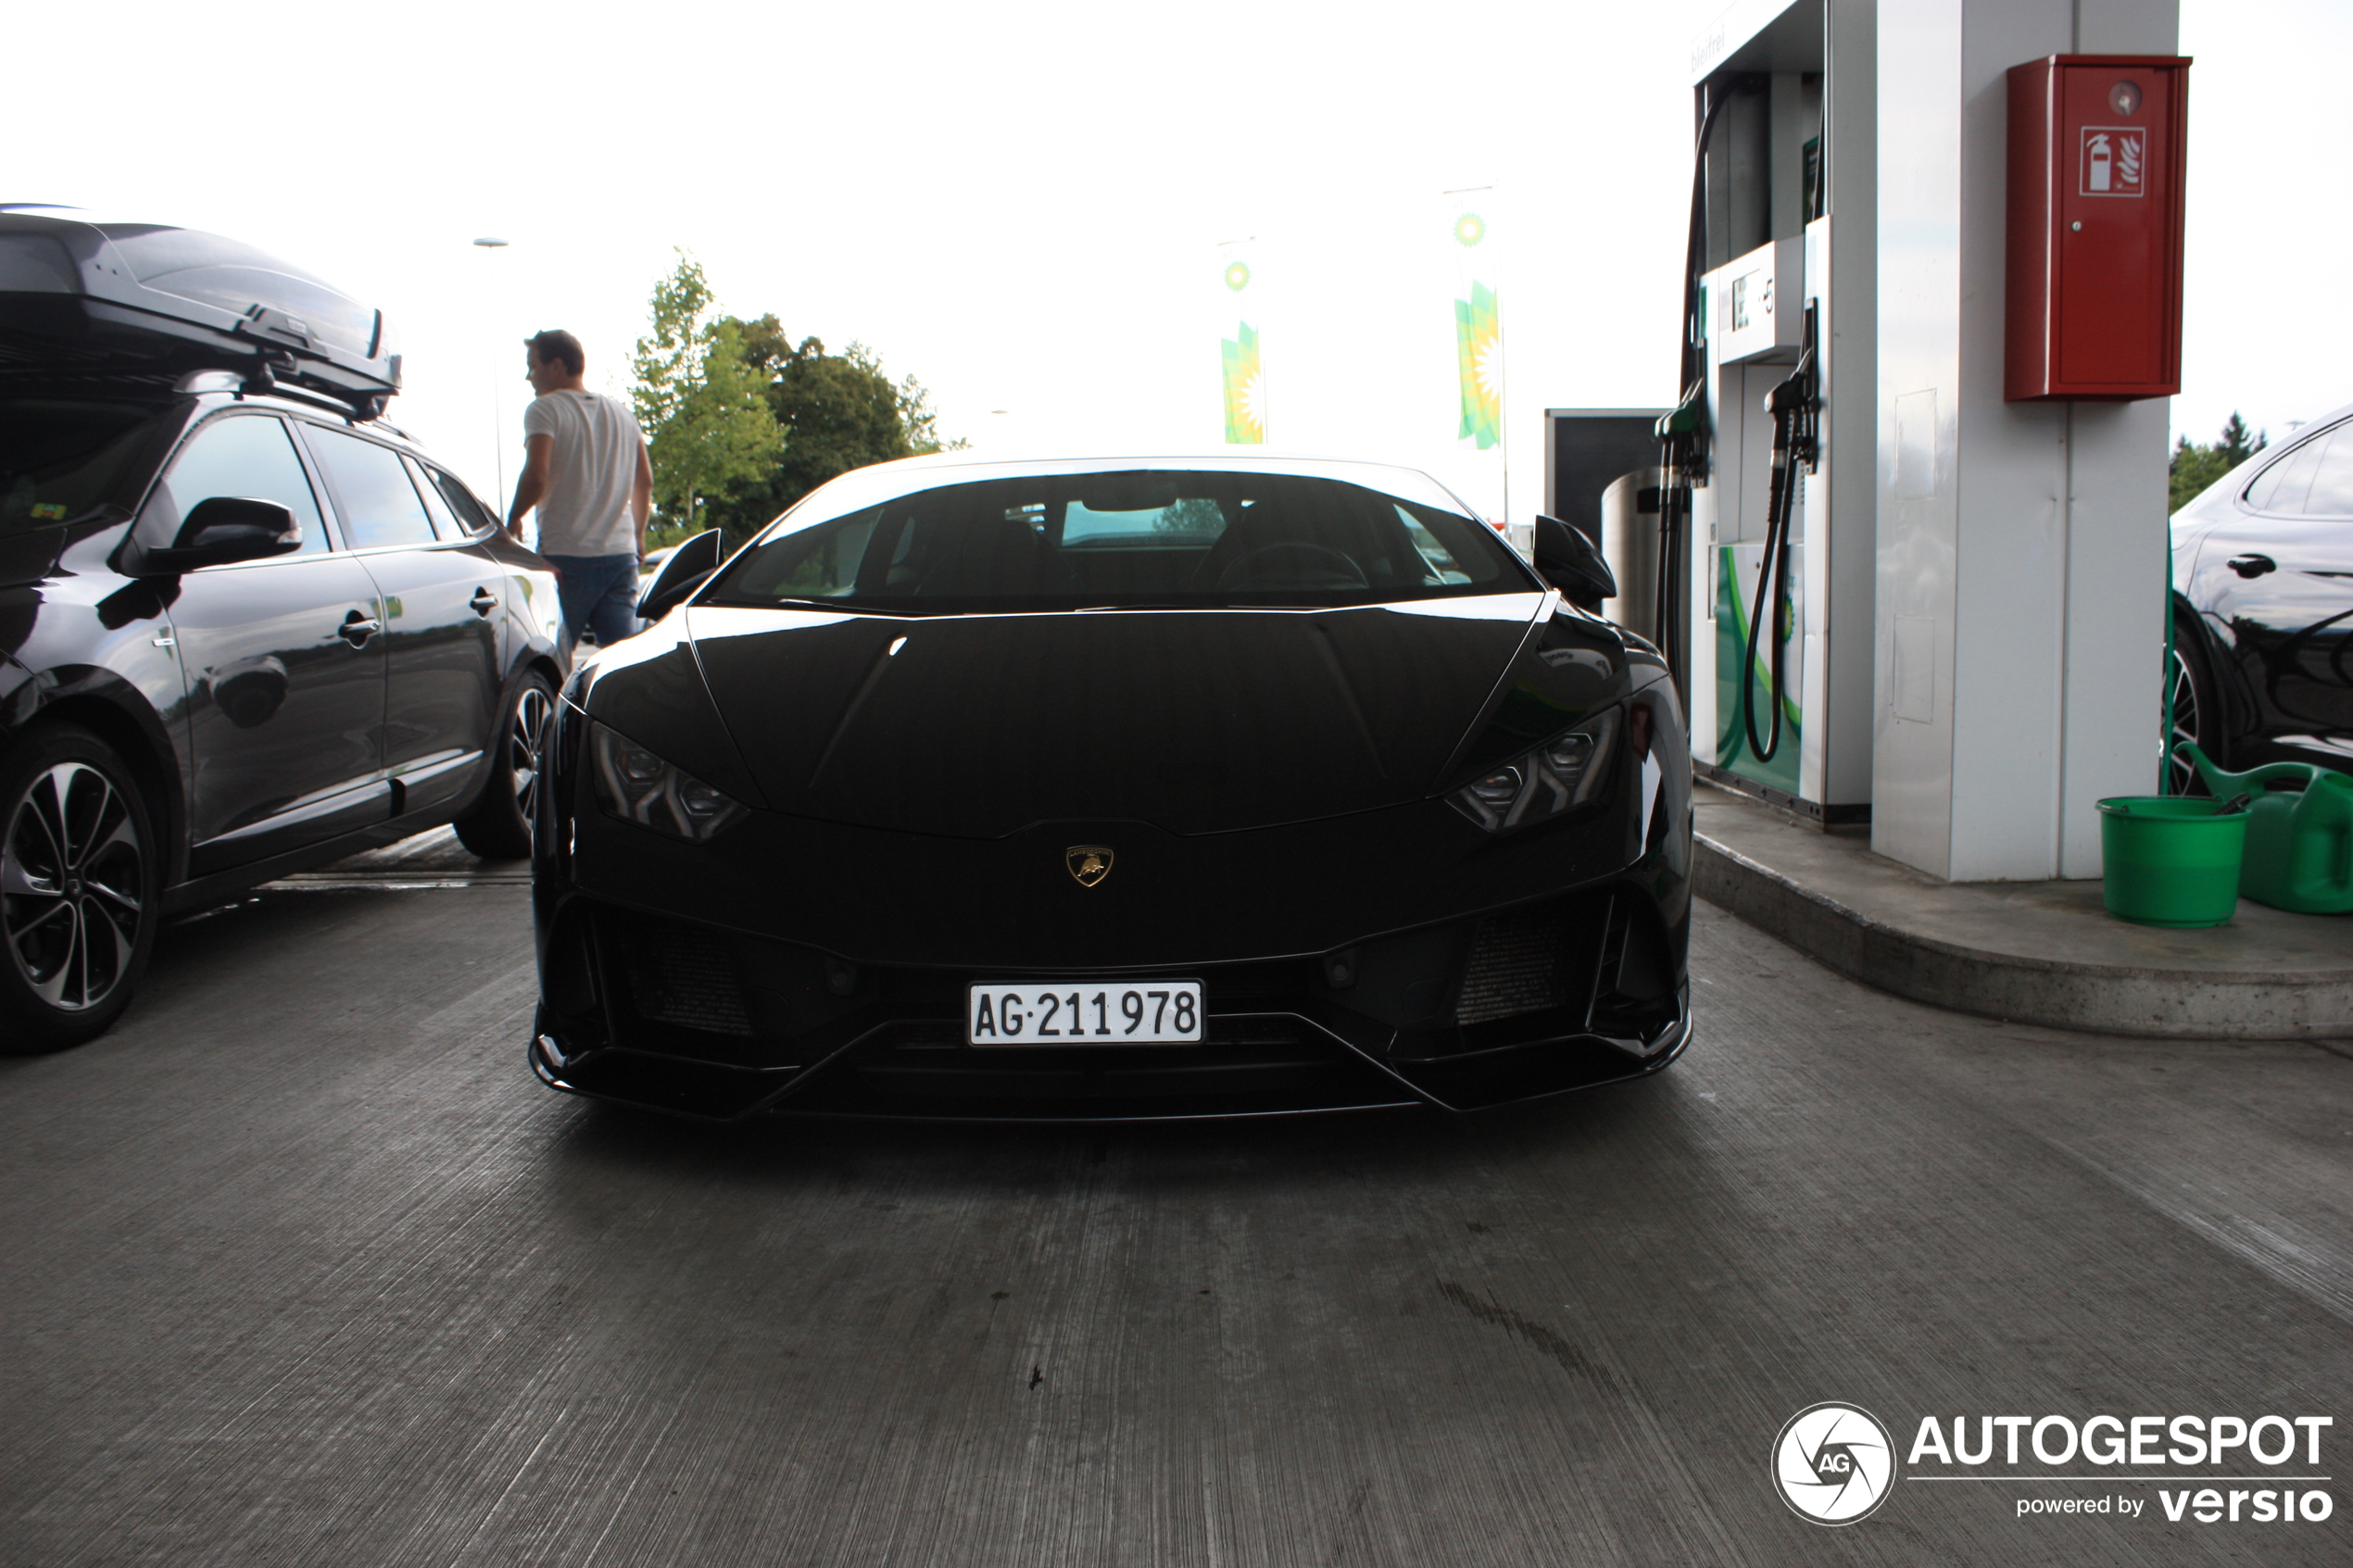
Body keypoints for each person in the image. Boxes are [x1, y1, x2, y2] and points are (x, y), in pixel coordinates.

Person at [507, 329, 654, 652]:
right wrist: (638, 536)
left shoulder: (545, 409)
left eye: (533, 366)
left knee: (554, 659)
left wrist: (514, 517)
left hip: (567, 557)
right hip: (620, 557)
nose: (528, 376)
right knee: (622, 660)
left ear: (556, 366)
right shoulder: (623, 415)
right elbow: (643, 481)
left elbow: (536, 475)